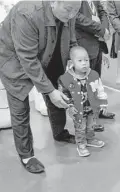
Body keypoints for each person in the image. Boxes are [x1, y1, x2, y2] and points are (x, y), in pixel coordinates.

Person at [0, 0, 81, 174]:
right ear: (53, 2)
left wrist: (76, 61)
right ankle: (26, 155)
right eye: (68, 10)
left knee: (59, 93)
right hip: (15, 61)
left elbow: (71, 39)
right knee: (20, 106)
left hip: (49, 52)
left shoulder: (70, 9)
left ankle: (60, 132)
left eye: (76, 10)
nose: (72, 15)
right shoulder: (27, 13)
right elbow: (27, 59)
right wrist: (49, 91)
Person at [58, 46, 106, 157]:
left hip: (91, 108)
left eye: (86, 60)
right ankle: (81, 144)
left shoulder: (93, 75)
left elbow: (100, 89)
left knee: (91, 126)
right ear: (72, 62)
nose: (84, 63)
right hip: (78, 110)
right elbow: (64, 94)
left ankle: (90, 139)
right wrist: (69, 106)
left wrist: (103, 102)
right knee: (80, 128)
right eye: (80, 61)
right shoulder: (66, 78)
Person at [75, 0, 115, 131]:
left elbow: (102, 11)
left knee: (96, 81)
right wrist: (100, 29)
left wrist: (104, 28)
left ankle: (97, 111)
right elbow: (77, 17)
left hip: (97, 43)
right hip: (83, 44)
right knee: (85, 85)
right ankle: (88, 121)